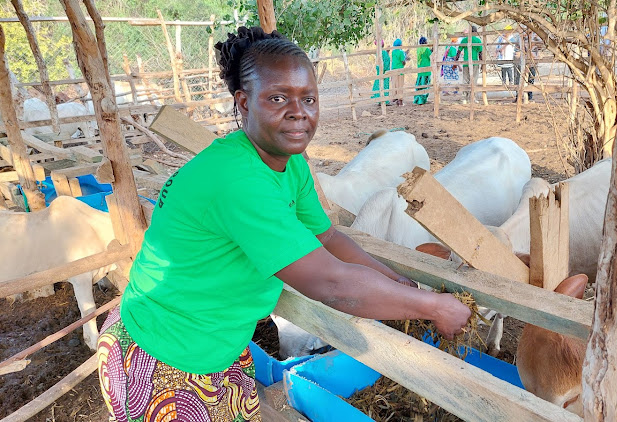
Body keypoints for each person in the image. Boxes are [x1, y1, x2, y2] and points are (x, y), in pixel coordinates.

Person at [96, 26, 470, 422]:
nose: (299, 112)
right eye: (278, 98)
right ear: (243, 102)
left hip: (217, 342)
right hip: (164, 355)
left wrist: (396, 281)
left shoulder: (289, 166)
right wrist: (431, 307)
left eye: (308, 98)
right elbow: (330, 284)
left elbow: (327, 237)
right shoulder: (238, 179)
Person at [457, 26, 483, 104]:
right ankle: (472, 97)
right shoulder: (478, 40)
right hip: (475, 63)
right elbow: (480, 53)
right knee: (473, 80)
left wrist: (456, 61)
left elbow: (458, 51)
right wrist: (482, 63)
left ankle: (464, 98)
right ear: (475, 32)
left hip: (466, 63)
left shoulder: (464, 40)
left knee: (465, 80)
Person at [371, 39, 390, 104]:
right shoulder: (383, 52)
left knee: (379, 84)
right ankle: (384, 100)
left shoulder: (379, 52)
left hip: (380, 70)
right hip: (384, 70)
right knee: (384, 85)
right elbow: (386, 61)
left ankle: (379, 100)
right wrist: (384, 69)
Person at [414, 36, 432, 105]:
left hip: (420, 69)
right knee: (425, 85)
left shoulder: (418, 49)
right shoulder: (426, 49)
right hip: (426, 70)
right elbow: (431, 57)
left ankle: (417, 98)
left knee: (419, 85)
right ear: (424, 42)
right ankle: (423, 100)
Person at [391, 38, 407, 106]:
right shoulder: (401, 52)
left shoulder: (393, 52)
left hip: (394, 69)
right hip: (400, 70)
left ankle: (395, 97)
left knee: (395, 84)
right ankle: (400, 100)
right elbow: (403, 61)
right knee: (400, 85)